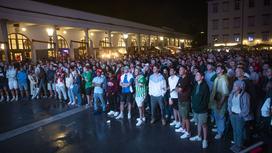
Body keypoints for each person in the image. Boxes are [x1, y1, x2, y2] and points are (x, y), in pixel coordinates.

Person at [228, 80, 253, 152]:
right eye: (234, 85)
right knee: (235, 130)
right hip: (232, 114)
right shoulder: (232, 93)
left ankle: (239, 146)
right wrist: (229, 111)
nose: (234, 87)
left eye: (236, 85)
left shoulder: (245, 95)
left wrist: (241, 115)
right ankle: (236, 144)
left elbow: (246, 107)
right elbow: (229, 103)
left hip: (240, 116)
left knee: (239, 131)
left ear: (241, 87)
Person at [189, 71, 210, 149]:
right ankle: (199, 136)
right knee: (198, 123)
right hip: (195, 108)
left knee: (204, 124)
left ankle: (205, 140)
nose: (196, 76)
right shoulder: (195, 85)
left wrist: (202, 108)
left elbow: (206, 99)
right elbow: (193, 96)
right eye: (196, 74)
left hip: (202, 109)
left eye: (198, 75)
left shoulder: (205, 86)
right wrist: (193, 106)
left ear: (202, 77)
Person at [210, 64, 229, 140]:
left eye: (219, 68)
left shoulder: (224, 79)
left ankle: (220, 132)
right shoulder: (217, 78)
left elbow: (225, 94)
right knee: (216, 115)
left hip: (221, 101)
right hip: (215, 100)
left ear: (222, 70)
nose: (217, 69)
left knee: (221, 117)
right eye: (217, 67)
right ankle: (218, 128)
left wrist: (220, 103)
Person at [176, 66, 192, 139]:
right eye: (179, 69)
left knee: (186, 117)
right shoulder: (180, 78)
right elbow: (176, 87)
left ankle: (188, 132)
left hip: (185, 100)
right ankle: (183, 128)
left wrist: (178, 89)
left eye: (181, 69)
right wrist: (178, 88)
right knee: (182, 115)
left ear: (185, 71)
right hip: (180, 99)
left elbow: (180, 89)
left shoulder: (186, 79)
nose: (179, 71)